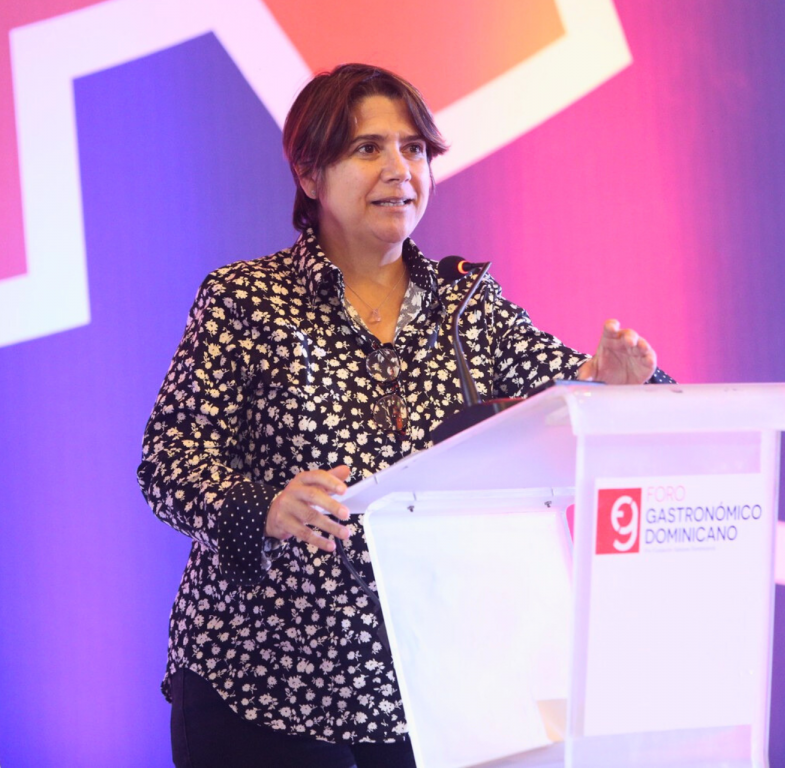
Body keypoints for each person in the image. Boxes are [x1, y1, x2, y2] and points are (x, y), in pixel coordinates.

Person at [138, 63, 671, 768]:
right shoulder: (246, 300)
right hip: (263, 687)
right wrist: (263, 505)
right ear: (309, 175)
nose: (399, 168)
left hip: (428, 692)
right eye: (368, 149)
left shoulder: (467, 305)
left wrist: (626, 384)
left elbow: (577, 395)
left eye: (414, 148)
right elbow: (169, 458)